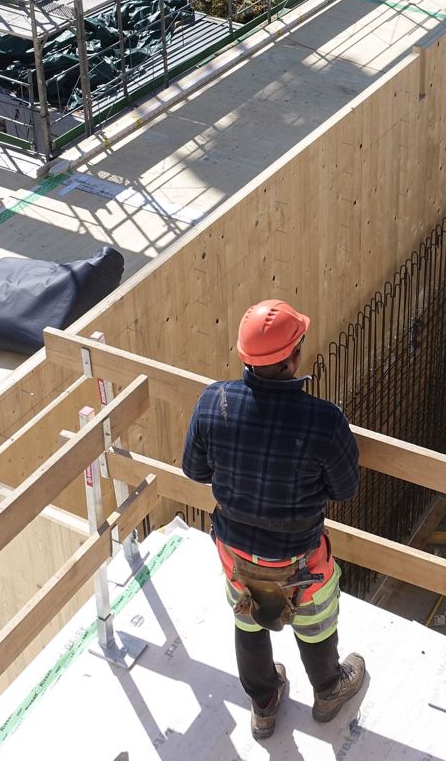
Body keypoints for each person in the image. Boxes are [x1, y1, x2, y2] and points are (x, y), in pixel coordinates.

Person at [182, 299, 366, 741]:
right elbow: (345, 488)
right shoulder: (325, 421)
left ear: (245, 356)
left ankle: (263, 704)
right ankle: (327, 690)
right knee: (316, 620)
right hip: (299, 559)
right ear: (295, 355)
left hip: (236, 553)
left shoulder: (214, 401)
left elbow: (195, 470)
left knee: (247, 617)